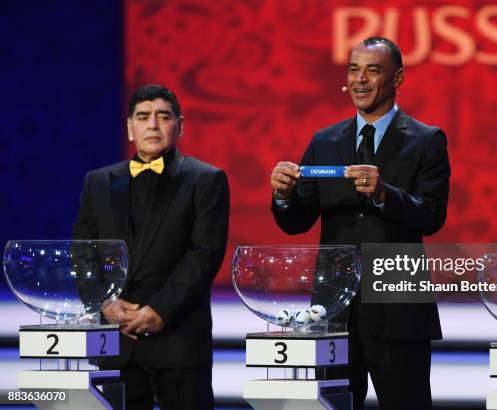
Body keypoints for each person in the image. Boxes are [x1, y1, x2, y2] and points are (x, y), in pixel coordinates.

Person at [270, 37, 450, 409]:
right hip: (333, 310)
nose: (360, 79)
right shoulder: (325, 141)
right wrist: (284, 195)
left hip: (398, 305)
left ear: (398, 78)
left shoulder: (426, 140)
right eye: (353, 69)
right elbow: (296, 221)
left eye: (373, 69)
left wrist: (386, 194)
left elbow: (432, 215)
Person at [73, 84, 229, 410]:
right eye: (143, 117)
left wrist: (159, 311)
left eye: (164, 116)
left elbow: (204, 254)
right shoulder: (98, 182)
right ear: (130, 127)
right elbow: (84, 250)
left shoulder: (206, 179)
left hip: (179, 341)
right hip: (115, 341)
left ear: (180, 125)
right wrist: (105, 302)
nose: (153, 125)